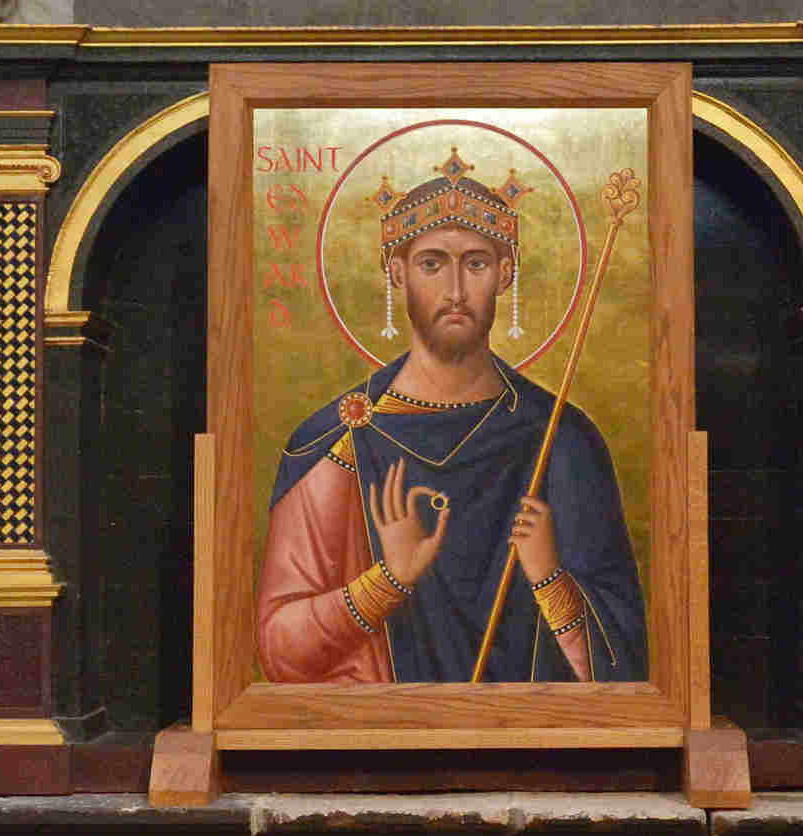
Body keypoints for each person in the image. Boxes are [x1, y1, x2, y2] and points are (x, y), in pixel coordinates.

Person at [256, 156, 647, 683]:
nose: (456, 291)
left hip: (533, 747)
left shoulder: (561, 438)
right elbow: (280, 650)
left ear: (506, 274)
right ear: (397, 272)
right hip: (374, 748)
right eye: (433, 264)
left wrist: (550, 577)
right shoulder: (338, 441)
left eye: (477, 263)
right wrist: (388, 580)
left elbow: (626, 668)